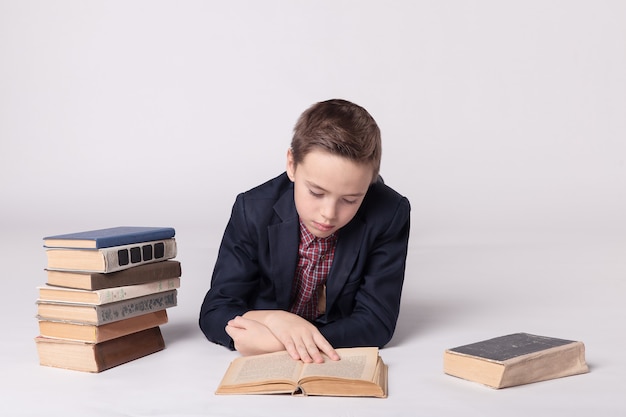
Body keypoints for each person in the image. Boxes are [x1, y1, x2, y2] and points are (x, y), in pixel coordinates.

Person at [199, 99, 410, 364]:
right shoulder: (252, 209)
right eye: (316, 192)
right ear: (292, 164)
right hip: (274, 322)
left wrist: (285, 342)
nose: (329, 213)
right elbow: (215, 310)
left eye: (350, 200)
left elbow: (377, 322)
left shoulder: (389, 213)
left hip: (312, 333)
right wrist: (275, 319)